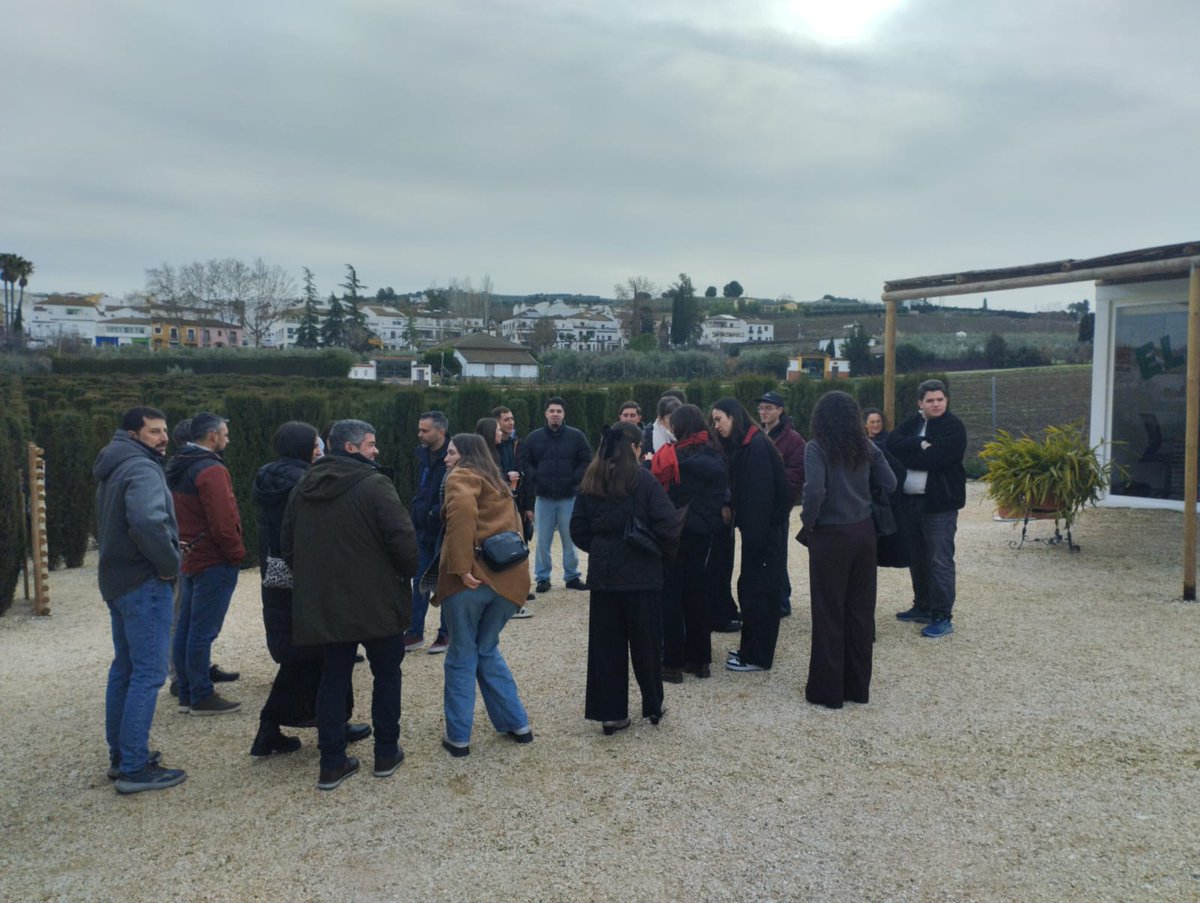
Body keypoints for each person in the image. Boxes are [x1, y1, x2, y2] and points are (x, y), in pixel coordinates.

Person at [282, 419, 419, 790]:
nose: (376, 451)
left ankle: (332, 761)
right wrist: (407, 572)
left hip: (328, 605)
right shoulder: (376, 485)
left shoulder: (303, 486)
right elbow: (403, 539)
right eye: (371, 444)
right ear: (350, 448)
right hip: (377, 601)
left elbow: (288, 545)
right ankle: (386, 752)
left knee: (334, 677)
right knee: (387, 675)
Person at [250, 421, 370, 758]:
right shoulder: (307, 482)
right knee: (328, 654)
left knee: (300, 658)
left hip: (276, 576)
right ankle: (331, 725)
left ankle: (272, 728)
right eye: (316, 445)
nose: (320, 450)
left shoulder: (266, 478)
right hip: (307, 578)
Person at [95, 406, 187, 793]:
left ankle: (122, 755)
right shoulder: (142, 468)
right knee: (149, 672)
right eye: (154, 431)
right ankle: (134, 768)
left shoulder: (115, 464)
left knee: (126, 668)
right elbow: (148, 522)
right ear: (133, 435)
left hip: (118, 578)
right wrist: (169, 562)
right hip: (144, 580)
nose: (163, 437)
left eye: (164, 430)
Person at [571, 422, 680, 734]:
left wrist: (602, 548)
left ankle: (611, 713)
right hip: (641, 572)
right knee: (646, 643)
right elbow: (667, 523)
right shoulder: (642, 480)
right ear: (633, 447)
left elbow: (577, 528)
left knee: (606, 646)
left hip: (604, 576)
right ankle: (654, 705)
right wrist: (660, 555)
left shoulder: (592, 479)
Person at [435, 433, 534, 757]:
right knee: (487, 648)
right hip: (509, 581)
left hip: (472, 581)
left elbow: (461, 516)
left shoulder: (461, 476)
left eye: (452, 452)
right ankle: (517, 723)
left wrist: (462, 567)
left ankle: (459, 738)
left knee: (462, 654)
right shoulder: (500, 482)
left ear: (465, 455)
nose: (447, 458)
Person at [799, 392, 896, 708]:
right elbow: (891, 482)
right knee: (860, 611)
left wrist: (808, 522)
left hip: (830, 535)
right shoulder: (866, 446)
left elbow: (814, 491)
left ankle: (828, 691)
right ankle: (857, 687)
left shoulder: (816, 448)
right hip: (864, 532)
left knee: (829, 611)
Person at [167, 411, 245, 715]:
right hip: (212, 557)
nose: (227, 438)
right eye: (224, 433)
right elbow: (223, 520)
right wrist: (235, 552)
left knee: (186, 627)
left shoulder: (179, 464)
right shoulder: (210, 470)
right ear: (212, 436)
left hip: (190, 554)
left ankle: (187, 690)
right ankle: (201, 694)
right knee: (202, 630)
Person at [710, 399, 791, 672]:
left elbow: (760, 498)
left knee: (760, 594)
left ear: (733, 417)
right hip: (760, 535)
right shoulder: (750, 442)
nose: (716, 425)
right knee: (751, 591)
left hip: (764, 538)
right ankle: (749, 649)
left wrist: (754, 543)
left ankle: (757, 656)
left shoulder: (754, 447)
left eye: (719, 419)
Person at [887, 379, 968, 638]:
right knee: (917, 557)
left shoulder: (953, 427)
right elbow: (891, 444)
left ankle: (942, 615)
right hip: (909, 503)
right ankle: (922, 605)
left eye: (940, 399)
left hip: (939, 505)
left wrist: (909, 453)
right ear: (920, 403)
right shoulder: (913, 423)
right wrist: (919, 444)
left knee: (939, 559)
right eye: (930, 400)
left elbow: (938, 458)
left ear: (946, 400)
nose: (936, 404)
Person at [653, 404, 727, 680]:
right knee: (697, 594)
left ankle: (672, 662)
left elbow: (666, 493)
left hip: (678, 531)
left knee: (671, 595)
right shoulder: (716, 453)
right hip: (704, 531)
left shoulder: (673, 458)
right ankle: (700, 660)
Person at [522, 396, 592, 593]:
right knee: (542, 541)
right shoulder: (534, 438)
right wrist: (537, 478)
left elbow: (586, 460)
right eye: (551, 411)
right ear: (546, 413)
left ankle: (572, 576)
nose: (555, 414)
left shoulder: (576, 437)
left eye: (558, 411)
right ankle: (543, 578)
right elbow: (527, 463)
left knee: (570, 539)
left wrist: (574, 478)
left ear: (564, 414)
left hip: (568, 497)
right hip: (543, 498)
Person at [756, 391, 807, 617]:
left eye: (768, 407)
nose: (764, 412)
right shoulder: (756, 434)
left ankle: (781, 600)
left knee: (777, 552)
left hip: (776, 505)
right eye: (761, 408)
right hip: (757, 505)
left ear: (780, 410)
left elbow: (796, 475)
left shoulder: (793, 440)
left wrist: (778, 497)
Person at [406, 411, 450, 653]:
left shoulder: (452, 457)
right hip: (422, 529)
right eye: (420, 429)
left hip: (442, 530)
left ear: (440, 432)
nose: (420, 434)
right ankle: (414, 632)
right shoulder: (423, 456)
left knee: (446, 582)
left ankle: (446, 633)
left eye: (425, 430)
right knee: (419, 581)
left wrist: (435, 513)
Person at [864, 408, 909, 570]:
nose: (876, 425)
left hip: (887, 493)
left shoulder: (888, 441)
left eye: (878, 421)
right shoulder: (861, 442)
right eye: (872, 422)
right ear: (865, 424)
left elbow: (898, 469)